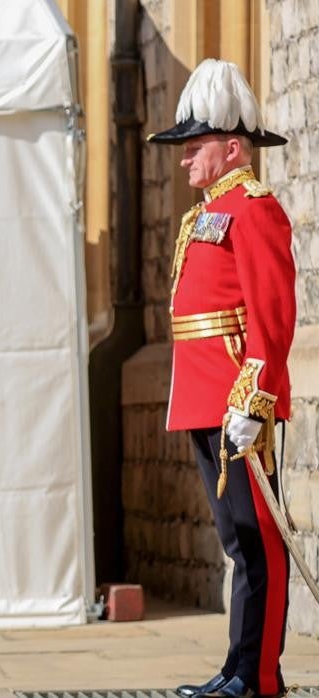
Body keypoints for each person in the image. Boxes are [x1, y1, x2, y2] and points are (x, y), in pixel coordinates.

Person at [148, 59, 295, 698]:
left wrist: (255, 397)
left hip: (238, 401)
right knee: (237, 541)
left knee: (259, 541)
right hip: (205, 400)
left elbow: (272, 312)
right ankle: (238, 667)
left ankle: (259, 677)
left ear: (232, 147)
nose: (184, 159)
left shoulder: (254, 208)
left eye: (194, 145)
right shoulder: (205, 213)